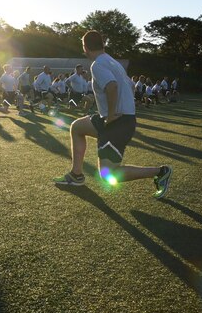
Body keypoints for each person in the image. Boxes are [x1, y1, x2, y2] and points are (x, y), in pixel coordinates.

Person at [53, 31, 172, 199]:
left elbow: (112, 86)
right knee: (77, 127)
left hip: (117, 122)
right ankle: (76, 175)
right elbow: (130, 86)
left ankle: (161, 172)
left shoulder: (98, 64)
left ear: (85, 47)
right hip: (118, 118)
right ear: (102, 45)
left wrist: (111, 115)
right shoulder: (112, 62)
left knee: (109, 175)